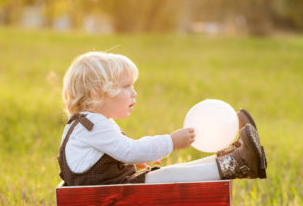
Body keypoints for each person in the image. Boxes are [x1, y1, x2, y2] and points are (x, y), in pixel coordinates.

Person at [58, 51, 267, 186]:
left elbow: (112, 153)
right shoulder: (91, 125)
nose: (134, 93)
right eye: (125, 87)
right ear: (96, 94)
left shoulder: (88, 124)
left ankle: (234, 156)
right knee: (169, 177)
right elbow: (129, 150)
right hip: (111, 199)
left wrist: (136, 160)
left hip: (115, 191)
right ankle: (237, 162)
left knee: (173, 171)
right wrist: (171, 142)